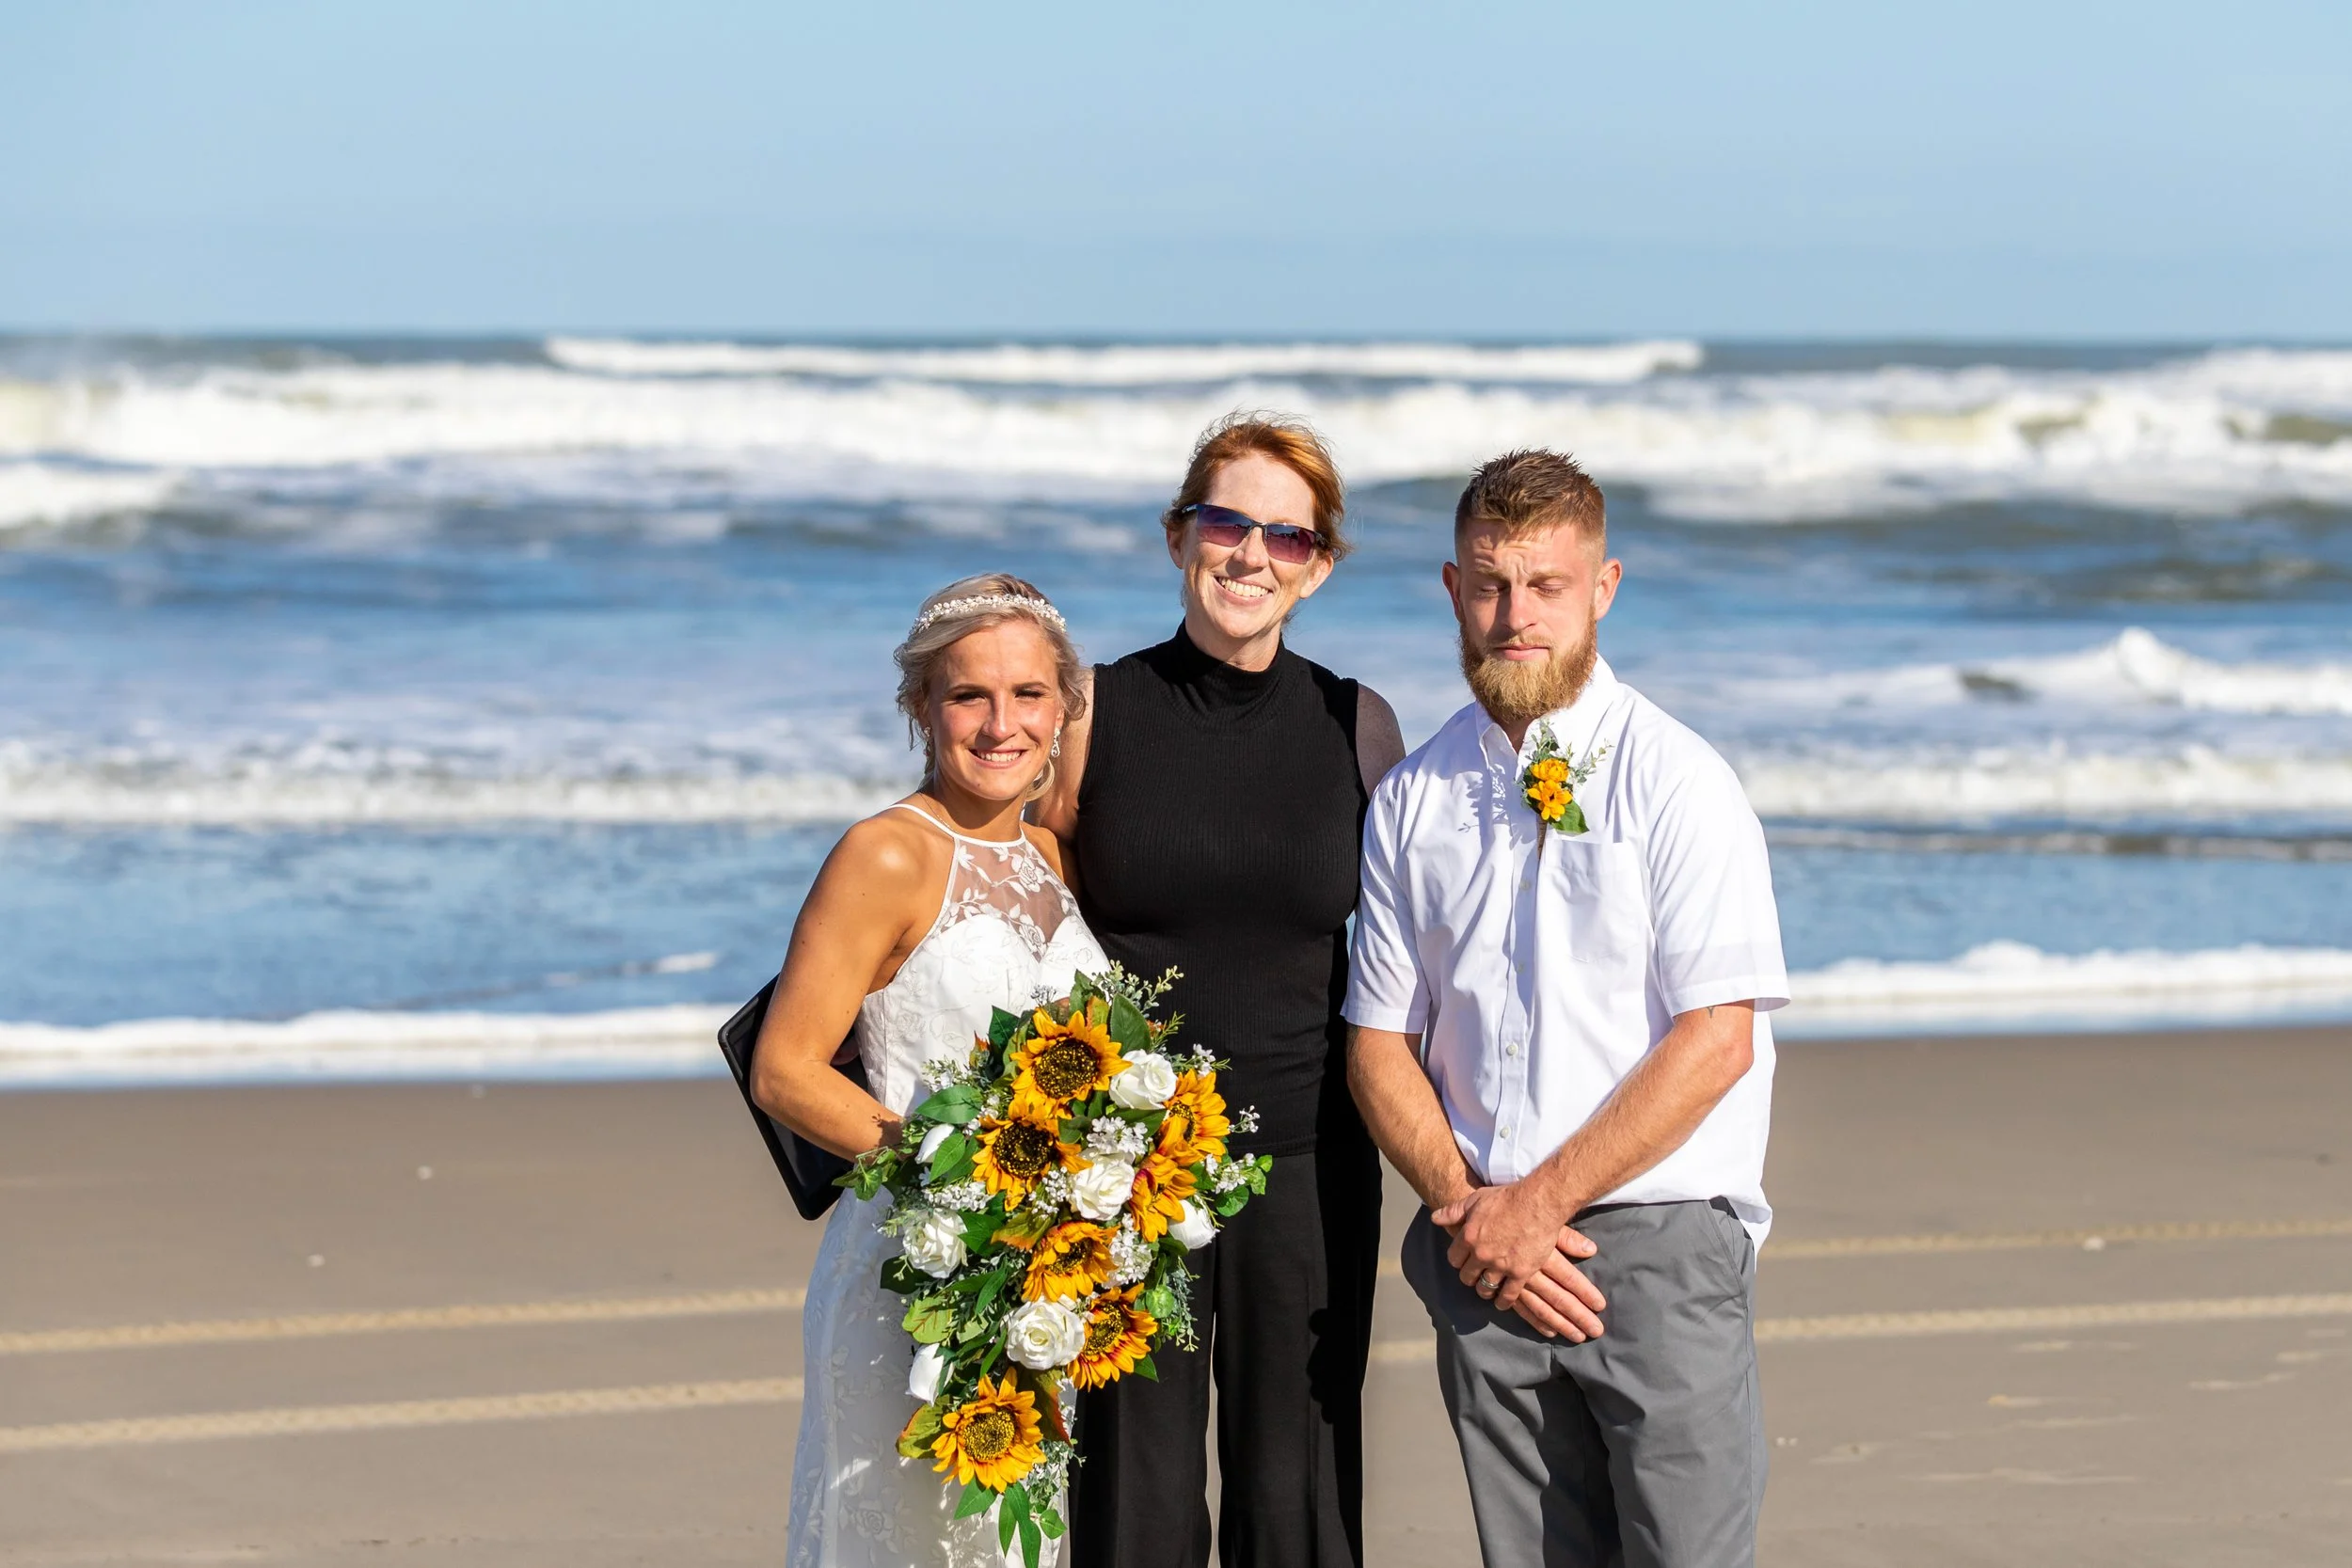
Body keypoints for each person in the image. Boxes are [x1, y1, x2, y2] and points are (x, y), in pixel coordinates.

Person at [1343, 450, 1789, 1568]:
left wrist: (1538, 1202)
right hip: (1483, 1253)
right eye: (1490, 583)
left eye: (1546, 585)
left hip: (1659, 1243)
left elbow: (1715, 1039)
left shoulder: (1678, 779)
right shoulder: (1412, 797)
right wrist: (1472, 1209)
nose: (1514, 615)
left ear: (1604, 587)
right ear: (1453, 588)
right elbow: (1377, 1041)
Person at [1035, 414, 1405, 1568]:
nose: (1249, 554)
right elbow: (1018, 912)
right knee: (1130, 1501)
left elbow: (1422, 950)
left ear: (1319, 565)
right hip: (1125, 1166)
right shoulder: (1089, 712)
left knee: (1296, 1497)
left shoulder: (1359, 724)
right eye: (1225, 521)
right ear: (1178, 536)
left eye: (1283, 536)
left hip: (1306, 1156)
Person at [755, 574, 1106, 1568]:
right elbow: (785, 1070)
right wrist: (956, 1177)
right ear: (921, 706)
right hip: (908, 1268)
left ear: (1063, 706)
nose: (1002, 723)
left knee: (1007, 1542)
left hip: (1033, 1281)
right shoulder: (887, 854)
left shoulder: (1051, 859)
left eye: (1029, 694)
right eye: (969, 696)